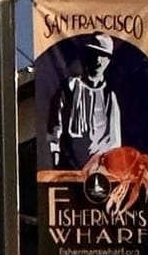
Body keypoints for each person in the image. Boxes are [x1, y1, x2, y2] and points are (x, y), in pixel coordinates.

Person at [49, 32, 122, 169]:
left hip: (99, 169)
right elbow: (55, 126)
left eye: (103, 56)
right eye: (95, 53)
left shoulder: (109, 96)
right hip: (70, 166)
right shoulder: (70, 87)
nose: (98, 60)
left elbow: (114, 140)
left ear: (108, 60)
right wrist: (55, 153)